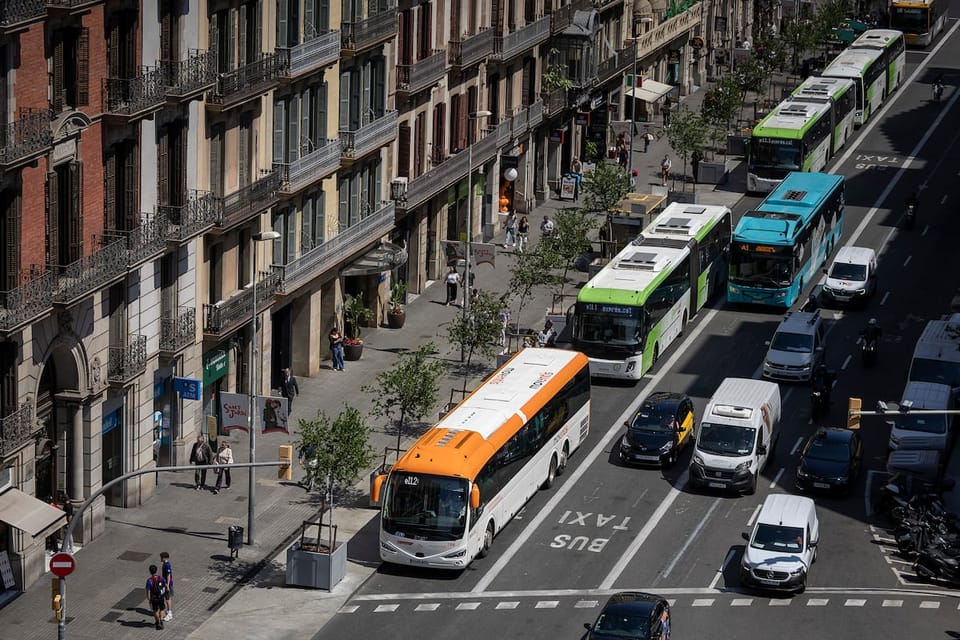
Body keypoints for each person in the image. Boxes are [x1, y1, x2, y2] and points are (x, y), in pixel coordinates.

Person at [145, 564, 168, 630]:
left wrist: (149, 599)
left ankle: (157, 622)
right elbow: (166, 585)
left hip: (154, 598)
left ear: (150, 571)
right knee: (162, 609)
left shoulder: (149, 581)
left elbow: (148, 591)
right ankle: (161, 621)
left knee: (155, 610)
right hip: (161, 597)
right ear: (156, 570)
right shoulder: (160, 577)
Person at [159, 552, 174, 621]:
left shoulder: (167, 565)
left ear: (164, 558)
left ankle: (170, 613)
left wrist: (167, 585)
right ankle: (168, 611)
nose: (160, 559)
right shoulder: (164, 564)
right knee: (167, 598)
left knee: (168, 598)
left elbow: (168, 576)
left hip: (167, 584)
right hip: (165, 583)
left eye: (161, 557)